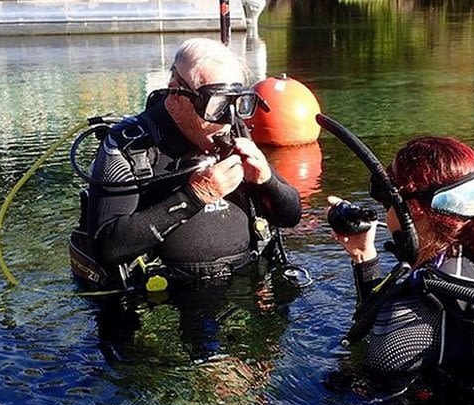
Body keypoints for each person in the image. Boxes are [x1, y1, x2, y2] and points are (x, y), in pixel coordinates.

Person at [69, 38, 302, 290]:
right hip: (160, 305)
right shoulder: (128, 147)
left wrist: (267, 180)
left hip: (247, 285)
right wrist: (194, 197)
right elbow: (107, 247)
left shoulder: (235, 130)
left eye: (238, 103)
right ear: (176, 96)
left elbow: (291, 216)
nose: (227, 118)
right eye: (216, 104)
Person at [328, 136, 474, 386]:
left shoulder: (406, 315)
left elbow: (372, 396)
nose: (383, 208)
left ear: (412, 210)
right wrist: (363, 257)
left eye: (384, 194)